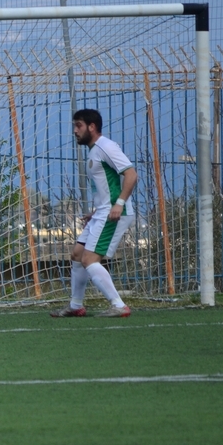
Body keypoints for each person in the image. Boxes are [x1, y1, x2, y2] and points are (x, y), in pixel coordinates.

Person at [51, 108, 138, 318]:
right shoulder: (94, 151)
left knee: (89, 259)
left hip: (114, 213)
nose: (75, 130)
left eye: (79, 126)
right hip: (103, 212)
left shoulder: (106, 147)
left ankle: (119, 305)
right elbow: (107, 187)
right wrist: (96, 210)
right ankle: (76, 306)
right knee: (77, 254)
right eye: (74, 126)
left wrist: (118, 204)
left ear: (92, 127)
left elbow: (131, 174)